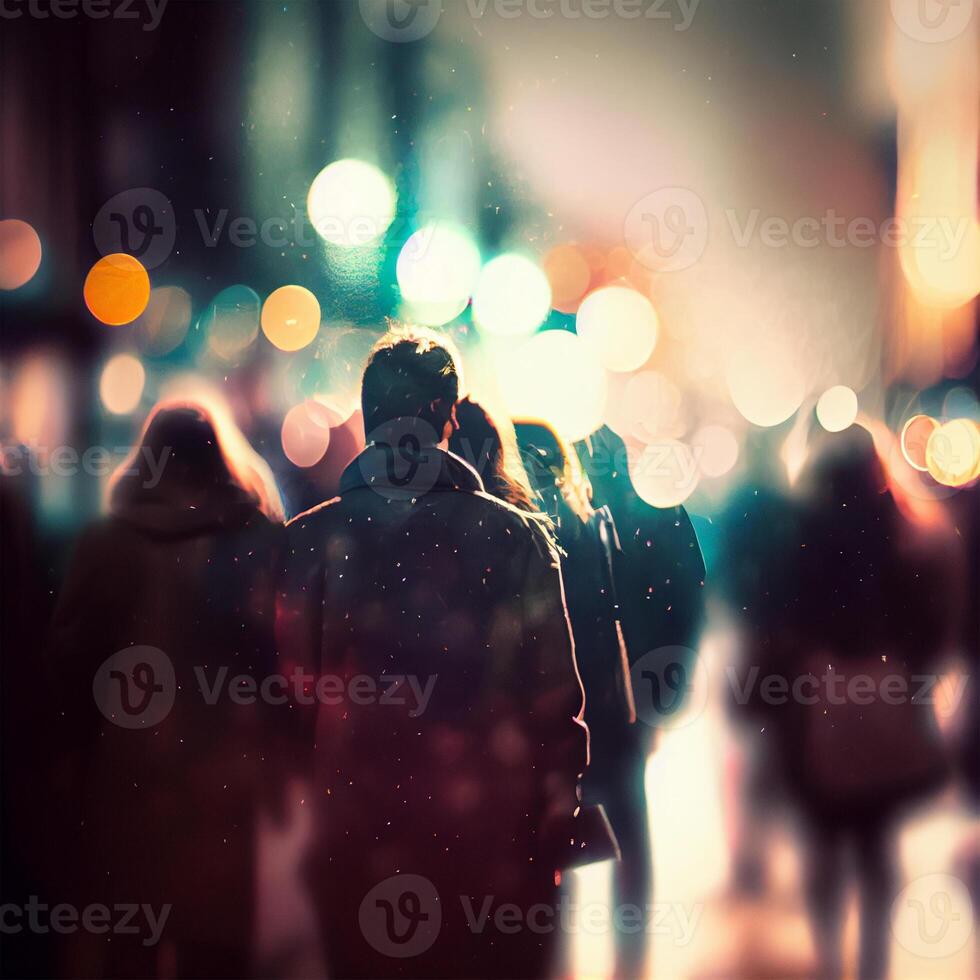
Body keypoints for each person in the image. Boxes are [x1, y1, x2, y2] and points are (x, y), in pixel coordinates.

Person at [277, 330, 588, 979]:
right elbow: (554, 704)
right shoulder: (515, 539)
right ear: (450, 416)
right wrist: (555, 818)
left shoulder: (308, 544)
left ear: (367, 419)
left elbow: (282, 707)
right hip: (486, 838)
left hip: (353, 836)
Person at [47, 398, 285, 979]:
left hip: (129, 771)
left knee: (131, 943)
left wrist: (65, 768)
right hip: (226, 772)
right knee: (218, 947)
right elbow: (278, 665)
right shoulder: (255, 542)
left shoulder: (107, 543)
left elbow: (69, 668)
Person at [770, 425, 955, 980]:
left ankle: (830, 956)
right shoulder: (904, 529)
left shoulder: (802, 529)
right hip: (885, 697)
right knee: (876, 845)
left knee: (825, 839)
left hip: (818, 701)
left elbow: (780, 615)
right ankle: (873, 964)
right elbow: (929, 624)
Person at [574, 424, 706, 979]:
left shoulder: (565, 520)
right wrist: (663, 695)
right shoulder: (653, 515)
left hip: (584, 698)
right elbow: (686, 598)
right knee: (628, 822)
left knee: (576, 821)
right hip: (625, 700)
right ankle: (629, 960)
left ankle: (572, 953)